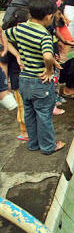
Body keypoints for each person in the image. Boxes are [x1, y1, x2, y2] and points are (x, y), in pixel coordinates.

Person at [4, 0, 66, 154]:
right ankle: (48, 146)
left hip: (24, 80)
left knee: (30, 114)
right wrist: (49, 69)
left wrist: (17, 55)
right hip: (41, 82)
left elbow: (3, 35)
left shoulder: (21, 28)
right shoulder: (44, 35)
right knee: (44, 115)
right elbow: (47, 55)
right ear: (49, 16)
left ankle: (33, 144)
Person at [0, 8, 30, 140]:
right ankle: (24, 132)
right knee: (22, 107)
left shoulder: (21, 38)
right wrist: (5, 87)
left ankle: (28, 130)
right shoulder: (8, 43)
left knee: (27, 106)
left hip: (26, 79)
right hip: (17, 81)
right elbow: (3, 65)